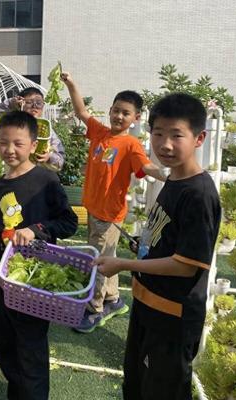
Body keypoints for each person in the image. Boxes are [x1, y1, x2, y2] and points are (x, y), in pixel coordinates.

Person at [94, 93, 220, 400]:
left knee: (162, 391)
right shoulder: (173, 180)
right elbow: (168, 238)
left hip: (173, 317)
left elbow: (185, 264)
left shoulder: (199, 194)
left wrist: (124, 264)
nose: (165, 144)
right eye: (158, 133)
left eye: (177, 135)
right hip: (148, 305)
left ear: (199, 138)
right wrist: (143, 246)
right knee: (137, 386)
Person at [0, 110, 78, 400]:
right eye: (3, 142)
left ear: (33, 145)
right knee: (5, 350)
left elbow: (69, 222)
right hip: (3, 286)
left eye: (18, 143)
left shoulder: (46, 181)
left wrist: (36, 229)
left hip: (35, 286)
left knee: (31, 355)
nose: (9, 150)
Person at [62, 72, 166, 333]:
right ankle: (112, 298)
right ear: (110, 110)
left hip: (109, 214)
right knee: (108, 255)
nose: (119, 116)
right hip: (95, 210)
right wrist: (71, 84)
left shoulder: (130, 144)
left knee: (98, 260)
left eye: (126, 113)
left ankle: (94, 309)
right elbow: (81, 111)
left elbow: (146, 166)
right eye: (116, 110)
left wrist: (167, 174)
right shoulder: (100, 132)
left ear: (136, 118)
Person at [0, 86, 66, 172]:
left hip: (39, 180)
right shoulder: (11, 126)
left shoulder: (48, 131)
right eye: (29, 102)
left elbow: (60, 162)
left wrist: (49, 157)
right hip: (14, 178)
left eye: (38, 103)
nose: (34, 106)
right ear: (20, 104)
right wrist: (9, 104)